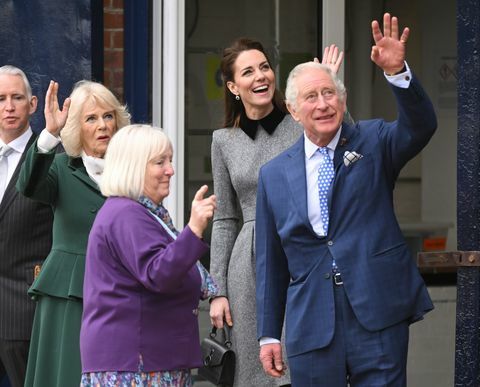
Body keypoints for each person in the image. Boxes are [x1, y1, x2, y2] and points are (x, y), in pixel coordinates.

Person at [255, 13, 436, 386]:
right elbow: (271, 261)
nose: (323, 104)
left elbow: (420, 127)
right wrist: (269, 333)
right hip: (311, 322)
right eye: (311, 97)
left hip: (377, 313)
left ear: (343, 98)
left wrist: (398, 73)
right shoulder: (273, 174)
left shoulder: (374, 142)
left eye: (329, 93)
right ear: (292, 110)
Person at [209, 37, 345, 386]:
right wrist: (217, 289)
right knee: (256, 368)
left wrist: (327, 85)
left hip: (300, 249)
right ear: (232, 86)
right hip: (247, 262)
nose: (260, 77)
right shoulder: (222, 141)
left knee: (300, 361)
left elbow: (345, 138)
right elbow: (225, 218)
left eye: (265, 67)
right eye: (249, 71)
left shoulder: (300, 122)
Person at [80, 124, 217, 387]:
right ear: (134, 166)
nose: (171, 170)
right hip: (135, 366)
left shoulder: (143, 214)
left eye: (170, 160)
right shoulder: (126, 214)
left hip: (145, 362)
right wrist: (195, 229)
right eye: (160, 162)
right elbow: (159, 274)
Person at [16, 79, 130, 387]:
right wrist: (49, 135)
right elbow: (28, 186)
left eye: (108, 116)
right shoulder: (61, 167)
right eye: (91, 118)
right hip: (68, 295)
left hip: (121, 293)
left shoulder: (133, 171)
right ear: (76, 127)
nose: (102, 125)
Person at [0, 66, 53, 387]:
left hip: (26, 312)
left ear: (32, 104)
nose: (8, 106)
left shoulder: (53, 158)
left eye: (17, 98)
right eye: (1, 98)